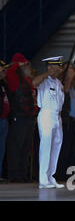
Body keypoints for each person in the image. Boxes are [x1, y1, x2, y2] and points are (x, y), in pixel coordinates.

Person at [5, 53, 38, 183]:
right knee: (16, 147)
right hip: (19, 117)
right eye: (25, 64)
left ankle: (22, 174)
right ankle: (14, 174)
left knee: (25, 148)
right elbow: (9, 72)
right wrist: (16, 64)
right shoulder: (14, 79)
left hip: (28, 117)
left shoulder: (26, 80)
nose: (28, 66)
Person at [36, 56, 65, 189]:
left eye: (59, 67)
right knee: (46, 147)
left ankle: (50, 176)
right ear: (49, 67)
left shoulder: (59, 83)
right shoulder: (44, 80)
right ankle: (43, 179)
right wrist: (47, 73)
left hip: (57, 116)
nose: (59, 69)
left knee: (56, 146)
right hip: (46, 115)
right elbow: (33, 83)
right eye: (56, 66)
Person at [55, 64, 75, 181]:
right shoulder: (61, 85)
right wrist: (68, 76)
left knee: (73, 149)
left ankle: (71, 174)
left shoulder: (74, 88)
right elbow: (64, 90)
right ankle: (61, 174)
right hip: (66, 121)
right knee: (65, 149)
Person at [0, 60, 11, 182]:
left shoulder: (4, 83)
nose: (4, 72)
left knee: (2, 148)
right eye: (2, 69)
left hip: (4, 119)